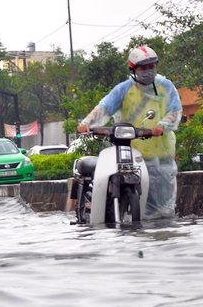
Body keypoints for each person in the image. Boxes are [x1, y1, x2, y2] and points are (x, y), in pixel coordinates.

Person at [76, 46, 182, 219]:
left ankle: (162, 236)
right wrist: (86, 123)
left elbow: (175, 111)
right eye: (143, 68)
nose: (148, 71)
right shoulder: (123, 89)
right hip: (131, 152)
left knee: (164, 211)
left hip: (162, 155)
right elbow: (103, 108)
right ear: (133, 69)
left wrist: (162, 125)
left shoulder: (166, 86)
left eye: (151, 66)